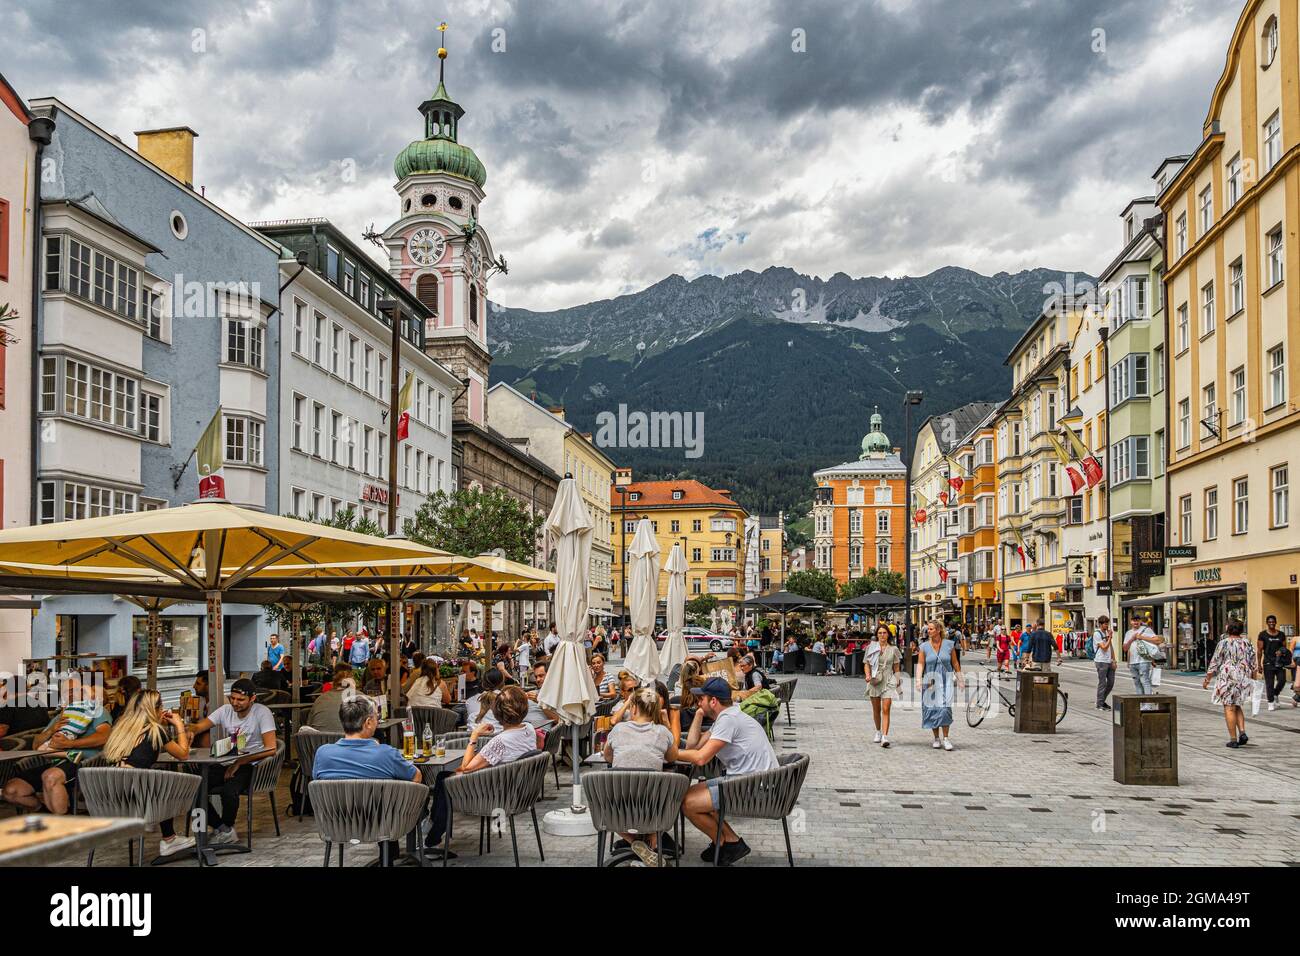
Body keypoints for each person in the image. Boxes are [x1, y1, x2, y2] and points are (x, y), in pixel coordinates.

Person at [677, 676, 779, 865]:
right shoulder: (727, 716)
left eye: (701, 699)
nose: (698, 702)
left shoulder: (728, 720)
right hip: (748, 780)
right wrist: (699, 714)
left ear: (713, 701)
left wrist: (670, 753)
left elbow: (700, 758)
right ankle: (729, 842)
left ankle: (724, 843)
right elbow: (693, 746)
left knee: (688, 804)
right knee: (687, 794)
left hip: (753, 787)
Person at [425, 685, 538, 854]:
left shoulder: (500, 741)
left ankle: (432, 835)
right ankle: (432, 828)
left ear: (497, 713)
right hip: (518, 791)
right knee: (444, 776)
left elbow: (465, 768)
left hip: (492, 795)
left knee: (443, 780)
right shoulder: (529, 729)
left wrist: (474, 736)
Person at [313, 695, 421, 864]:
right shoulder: (385, 753)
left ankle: (388, 857)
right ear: (368, 722)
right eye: (376, 717)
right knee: (394, 802)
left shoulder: (323, 753)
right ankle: (390, 857)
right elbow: (416, 777)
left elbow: (319, 784)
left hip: (338, 823)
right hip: (381, 824)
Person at [101, 688, 196, 857]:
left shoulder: (120, 728)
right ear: (155, 709)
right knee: (177, 785)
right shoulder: (155, 730)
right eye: (161, 706)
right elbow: (183, 754)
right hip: (137, 800)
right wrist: (179, 725)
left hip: (111, 798)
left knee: (159, 783)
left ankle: (166, 835)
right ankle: (170, 839)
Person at [184, 678, 278, 845]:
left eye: (240, 699)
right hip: (228, 761)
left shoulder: (262, 713)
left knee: (229, 791)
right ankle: (223, 829)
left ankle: (227, 826)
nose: (235, 703)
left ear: (252, 698)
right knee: (193, 788)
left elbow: (271, 748)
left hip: (252, 765)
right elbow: (201, 726)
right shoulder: (225, 710)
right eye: (232, 698)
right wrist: (191, 730)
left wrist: (240, 762)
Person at [2, 676, 112, 814]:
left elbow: (104, 737)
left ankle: (61, 826)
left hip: (85, 762)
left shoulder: (96, 710)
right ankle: (45, 813)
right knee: (11, 790)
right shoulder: (60, 716)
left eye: (74, 690)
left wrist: (70, 743)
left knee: (50, 777)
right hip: (55, 761)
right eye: (66, 692)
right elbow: (36, 745)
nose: (70, 694)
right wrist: (51, 731)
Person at [602, 685, 680, 865]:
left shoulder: (619, 729)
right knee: (658, 796)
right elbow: (673, 757)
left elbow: (608, 757)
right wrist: (667, 725)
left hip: (618, 807)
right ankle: (650, 843)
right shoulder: (662, 732)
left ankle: (632, 841)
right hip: (654, 808)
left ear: (634, 708)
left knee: (601, 809)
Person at [1203, 621, 1260, 748]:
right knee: (1237, 705)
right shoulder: (1247, 643)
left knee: (1229, 707)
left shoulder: (1223, 643)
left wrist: (1207, 679)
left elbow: (1214, 662)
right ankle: (1243, 732)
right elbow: (1254, 665)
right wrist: (1253, 681)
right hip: (1243, 677)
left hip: (1227, 677)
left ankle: (1233, 739)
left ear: (1228, 630)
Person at [916, 620, 962, 751]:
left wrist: (960, 678)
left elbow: (955, 663)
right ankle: (936, 738)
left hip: (945, 680)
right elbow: (920, 664)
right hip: (930, 680)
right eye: (928, 629)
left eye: (931, 629)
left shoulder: (949, 644)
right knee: (932, 709)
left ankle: (946, 738)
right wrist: (919, 680)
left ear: (938, 630)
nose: (928, 631)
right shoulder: (924, 646)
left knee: (945, 709)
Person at [864, 624, 902, 746]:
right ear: (876, 635)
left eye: (884, 633)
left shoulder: (894, 649)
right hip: (875, 679)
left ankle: (885, 736)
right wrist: (867, 675)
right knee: (876, 709)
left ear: (888, 635)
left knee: (886, 709)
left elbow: (896, 667)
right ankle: (878, 731)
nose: (882, 635)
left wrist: (897, 681)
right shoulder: (871, 647)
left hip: (888, 680)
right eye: (879, 633)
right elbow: (866, 663)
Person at [0, 675, 49, 749]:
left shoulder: (8, 706)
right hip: (37, 745)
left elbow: (1, 731)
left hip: (13, 747)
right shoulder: (40, 704)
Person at [306, 666, 359, 733]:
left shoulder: (320, 698)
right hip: (350, 741)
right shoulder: (361, 697)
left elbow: (309, 725)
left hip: (320, 741)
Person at [1256, 615, 1291, 712]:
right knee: (1269, 684)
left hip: (1279, 662)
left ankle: (1275, 694)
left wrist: (1281, 652)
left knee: (1282, 680)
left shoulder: (1281, 634)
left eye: (1273, 622)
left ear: (1276, 622)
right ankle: (1270, 702)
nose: (1271, 623)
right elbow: (1259, 650)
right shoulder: (1263, 635)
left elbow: (1284, 648)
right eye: (1269, 622)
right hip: (1268, 662)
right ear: (1267, 623)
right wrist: (1259, 664)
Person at [1122, 614, 1164, 694]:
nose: (1136, 622)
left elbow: (1158, 640)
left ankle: (1147, 705)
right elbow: (1125, 648)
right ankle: (1140, 703)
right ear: (1131, 622)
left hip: (1144, 661)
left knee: (1145, 681)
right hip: (1132, 662)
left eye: (1137, 620)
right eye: (1134, 620)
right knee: (1137, 683)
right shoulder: (1128, 633)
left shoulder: (1146, 630)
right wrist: (1132, 639)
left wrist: (1142, 637)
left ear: (1140, 621)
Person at [525, 662, 563, 730]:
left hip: (535, 732)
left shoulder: (557, 694)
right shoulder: (537, 692)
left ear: (550, 675)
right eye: (536, 677)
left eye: (541, 676)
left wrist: (540, 701)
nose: (537, 680)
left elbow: (559, 720)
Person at [1092, 615, 1116, 711]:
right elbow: (1104, 647)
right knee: (1102, 683)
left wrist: (1114, 660)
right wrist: (1110, 637)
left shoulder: (1106, 632)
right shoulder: (1097, 634)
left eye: (1107, 623)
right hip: (1101, 661)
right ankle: (1100, 704)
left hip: (1109, 660)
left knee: (1111, 682)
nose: (1107, 626)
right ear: (1100, 624)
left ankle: (1101, 701)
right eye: (1105, 624)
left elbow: (1110, 647)